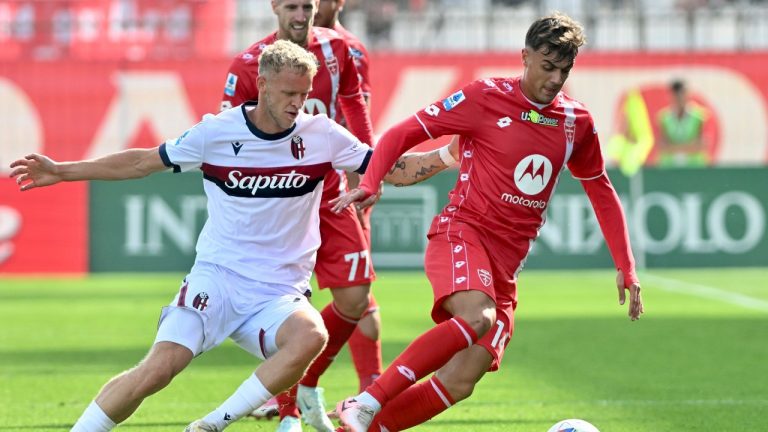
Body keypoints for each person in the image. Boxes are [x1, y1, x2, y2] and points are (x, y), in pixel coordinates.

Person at [8, 40, 456, 432]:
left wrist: (446, 155)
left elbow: (392, 169)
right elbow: (143, 162)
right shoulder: (217, 133)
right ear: (261, 84)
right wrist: (63, 171)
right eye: (287, 93)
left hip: (278, 292)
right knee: (157, 370)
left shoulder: (322, 135)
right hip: (218, 279)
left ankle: (212, 423)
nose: (297, 103)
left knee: (311, 335)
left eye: (304, 94)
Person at [330, 12, 645, 432]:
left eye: (564, 70)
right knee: (478, 317)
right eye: (547, 67)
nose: (555, 79)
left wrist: (626, 266)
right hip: (462, 232)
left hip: (506, 264)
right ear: (525, 57)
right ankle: (368, 400)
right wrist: (371, 182)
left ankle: (367, 426)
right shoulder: (484, 96)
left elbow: (600, 189)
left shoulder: (576, 122)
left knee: (462, 379)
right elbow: (401, 134)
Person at [220, 1, 382, 431]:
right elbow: (225, 132)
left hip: (328, 191)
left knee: (356, 295)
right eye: (291, 5)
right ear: (275, 6)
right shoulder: (250, 63)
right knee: (289, 308)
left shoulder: (339, 50)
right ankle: (289, 414)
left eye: (307, 5)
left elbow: (353, 105)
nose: (300, 14)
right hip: (279, 200)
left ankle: (306, 384)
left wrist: (371, 170)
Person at [655, 79, 709, 167]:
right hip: (670, 168)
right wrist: (689, 147)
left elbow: (701, 145)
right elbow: (662, 146)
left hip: (694, 168)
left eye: (681, 93)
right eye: (676, 94)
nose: (679, 97)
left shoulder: (700, 116)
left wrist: (673, 147)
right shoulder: (663, 118)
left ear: (687, 94)